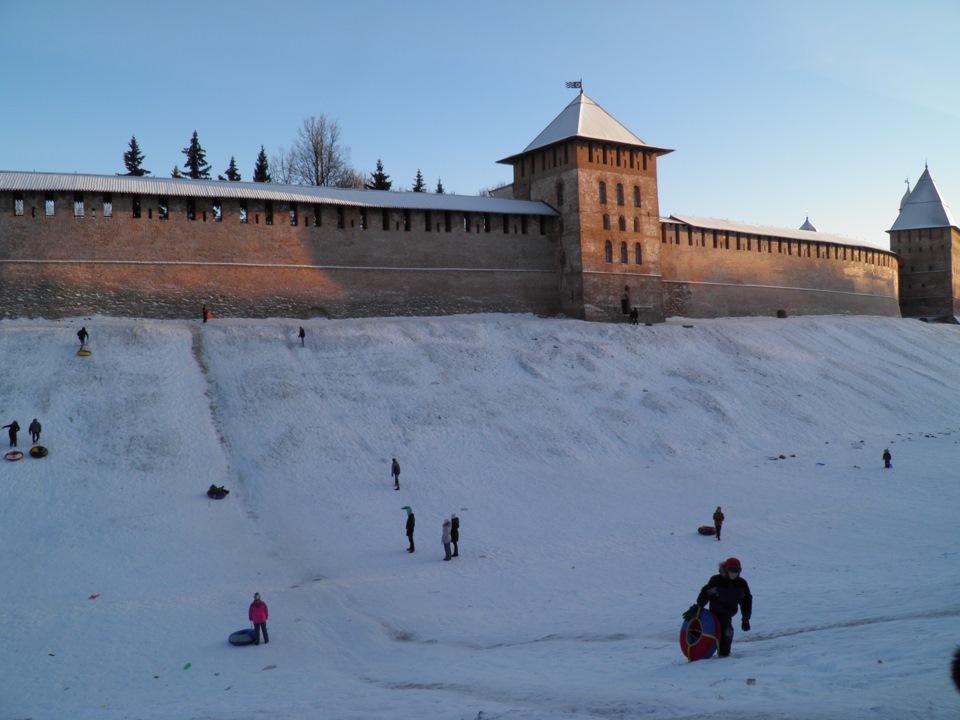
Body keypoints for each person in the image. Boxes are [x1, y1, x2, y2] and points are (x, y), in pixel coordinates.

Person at [683, 557, 752, 658]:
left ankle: (724, 654)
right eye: (731, 570)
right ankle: (703, 652)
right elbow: (706, 594)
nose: (733, 574)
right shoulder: (717, 581)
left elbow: (746, 601)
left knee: (727, 631)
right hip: (714, 613)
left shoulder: (741, 584)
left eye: (736, 571)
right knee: (725, 631)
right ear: (726, 569)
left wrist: (745, 619)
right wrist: (697, 607)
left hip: (728, 613)